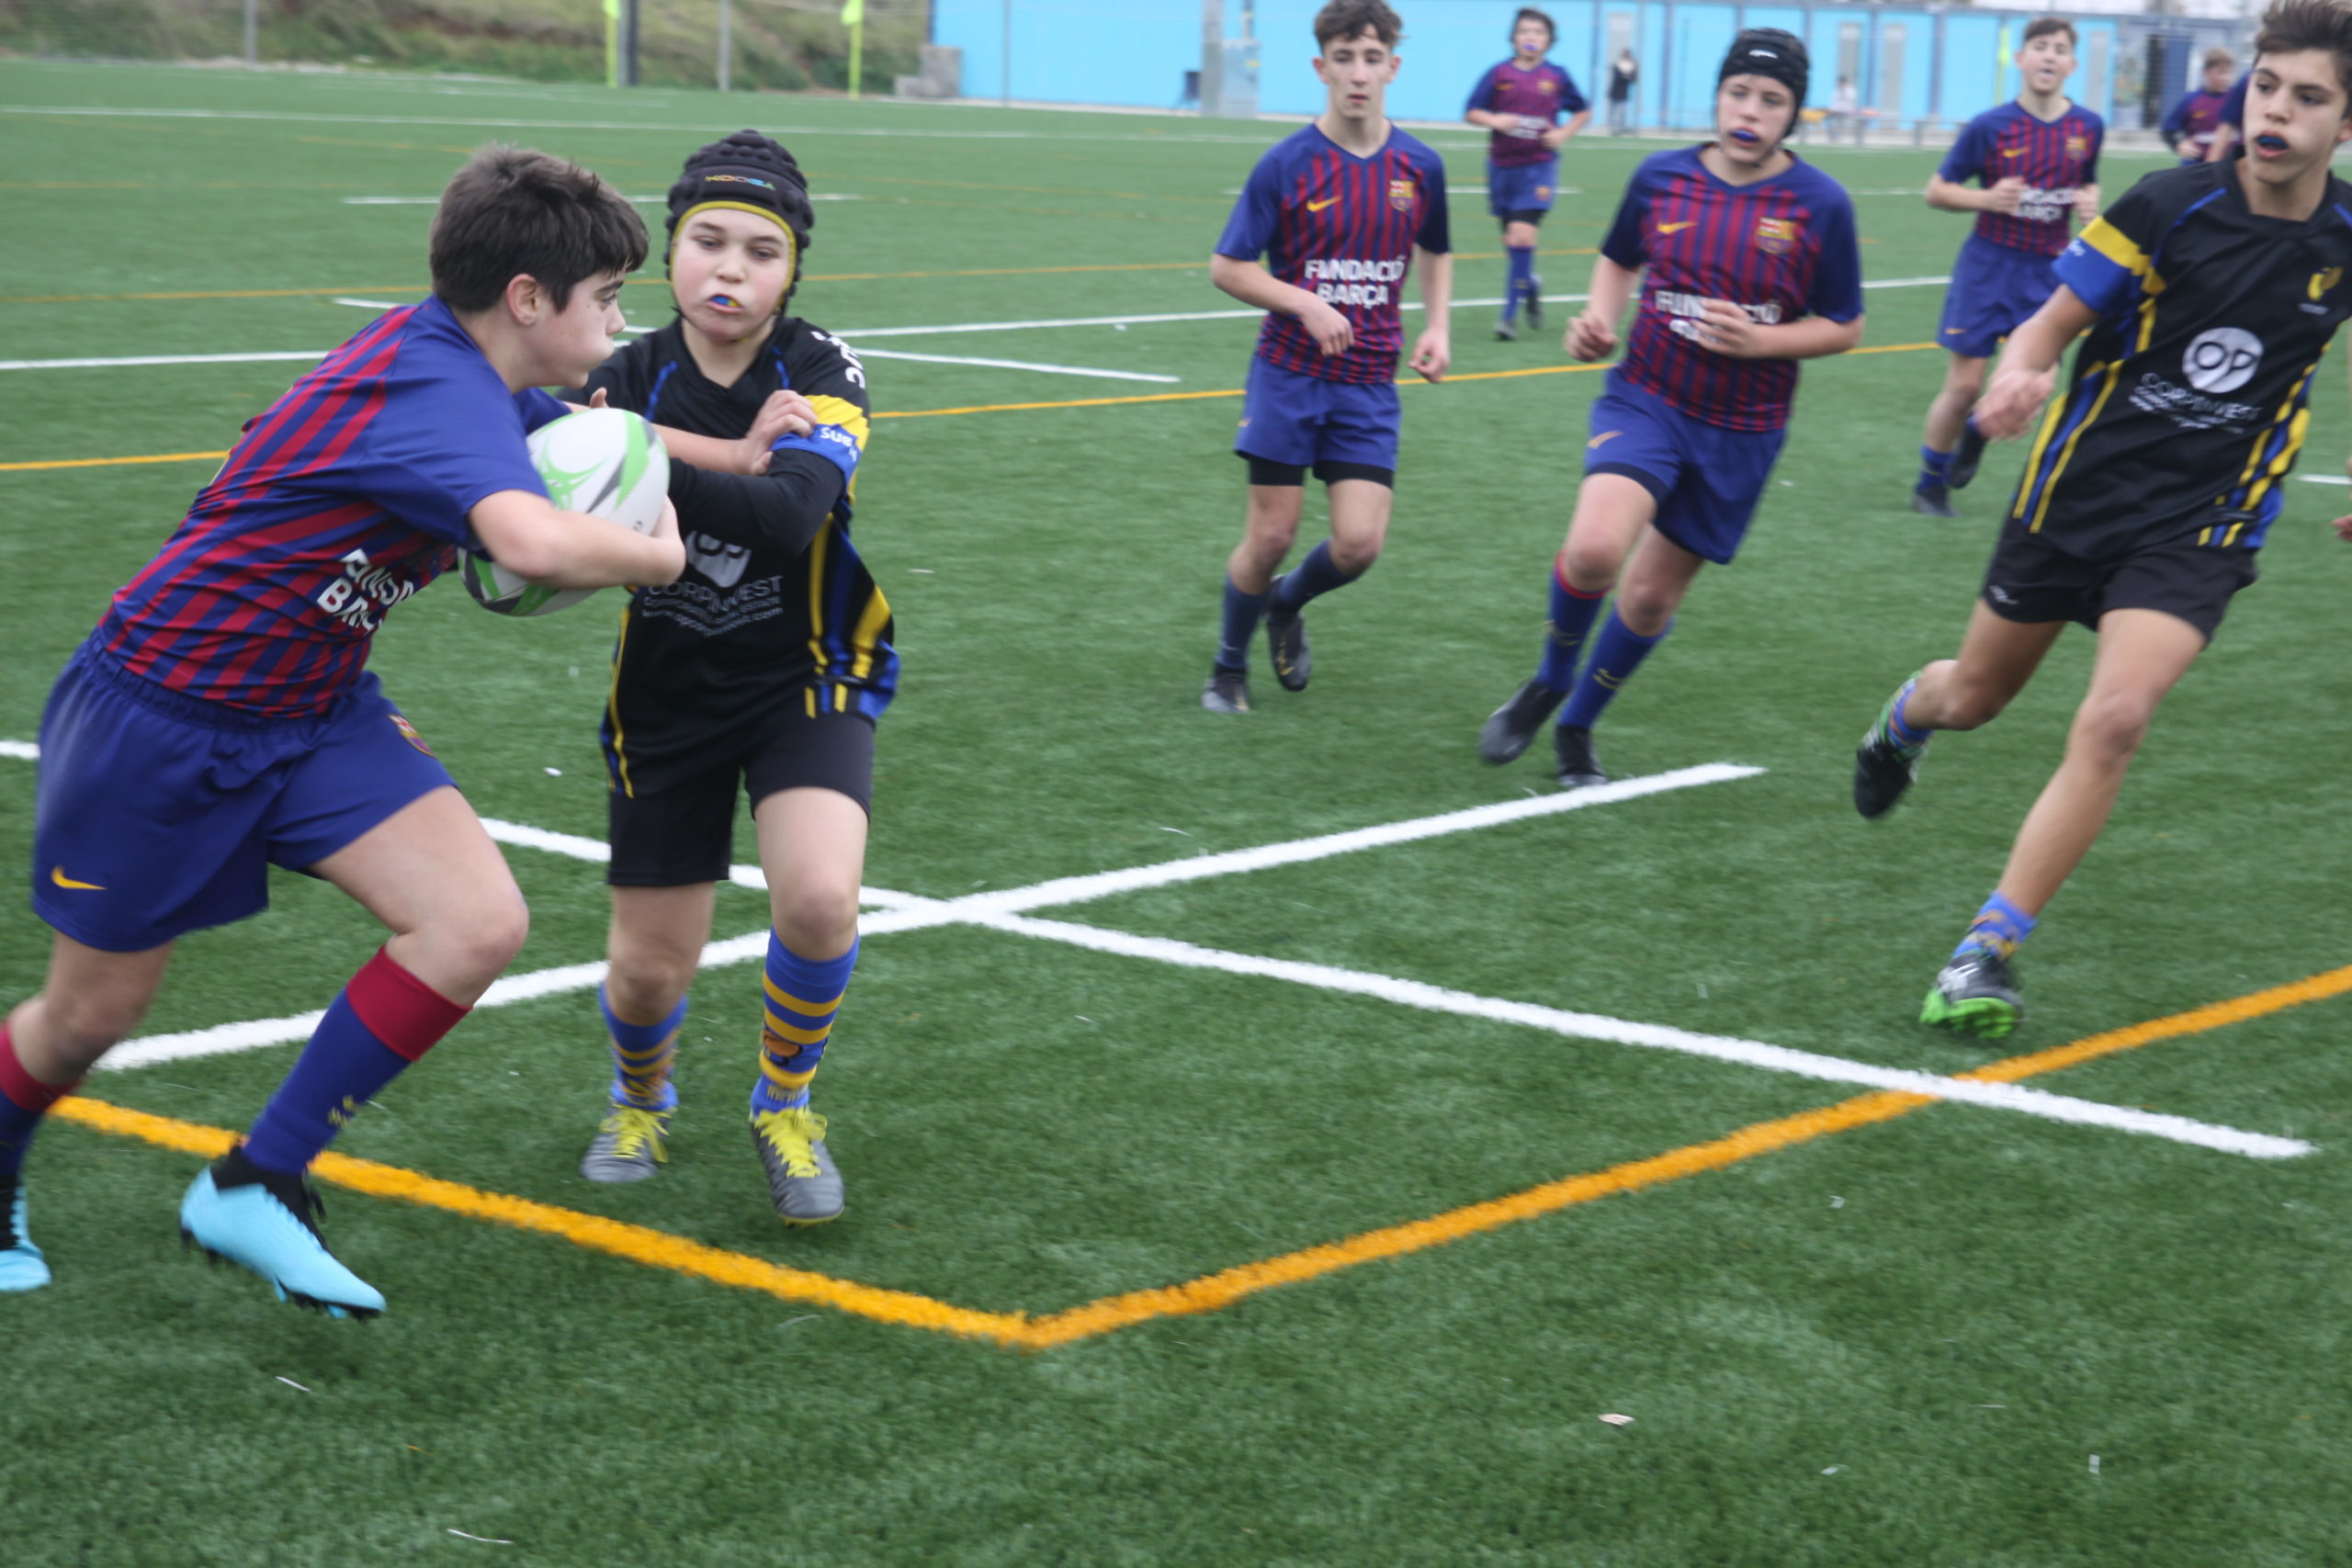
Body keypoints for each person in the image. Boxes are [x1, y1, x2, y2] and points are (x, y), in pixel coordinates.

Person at [0, 149, 685, 1315]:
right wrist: (659, 555)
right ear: (528, 299)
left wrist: (734, 464)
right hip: (163, 715)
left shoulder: (463, 365)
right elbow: (529, 545)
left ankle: (254, 1183)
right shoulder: (434, 390)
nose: (622, 318)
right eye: (610, 295)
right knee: (89, 1018)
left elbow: (568, 436)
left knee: (476, 921)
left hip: (310, 710)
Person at [1853, 0, 2352, 1040]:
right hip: (2074, 499)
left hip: (2207, 518)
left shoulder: (2343, 239)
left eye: (2309, 99)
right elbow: (2043, 329)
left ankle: (1984, 951)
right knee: (1975, 698)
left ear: (2344, 125)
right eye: (2267, 87)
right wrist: (2019, 379)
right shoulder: (2164, 204)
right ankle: (1907, 716)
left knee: (2115, 718)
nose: (2277, 114)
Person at [566, 132, 888, 1225]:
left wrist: (629, 452)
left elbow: (787, 516)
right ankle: (638, 1095)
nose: (730, 268)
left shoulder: (822, 369)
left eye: (761, 249)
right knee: (650, 972)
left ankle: (785, 1102)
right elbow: (533, 445)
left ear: (794, 270)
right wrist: (718, 451)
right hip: (664, 691)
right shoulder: (618, 371)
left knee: (817, 897)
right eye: (707, 240)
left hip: (808, 670)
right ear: (668, 251)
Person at [1478, 28, 1863, 787]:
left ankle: (1579, 724)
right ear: (1717, 96)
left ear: (1793, 114)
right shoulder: (1661, 177)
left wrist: (1765, 341)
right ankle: (1551, 678)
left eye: (1771, 100)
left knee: (1650, 596)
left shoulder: (1822, 204)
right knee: (1594, 550)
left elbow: (1845, 324)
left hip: (1742, 429)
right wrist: (1598, 320)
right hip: (1648, 396)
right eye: (1739, 94)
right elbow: (1620, 259)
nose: (1750, 112)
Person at [1201, 0, 1452, 714]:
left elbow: (1435, 247)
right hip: (1289, 376)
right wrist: (1305, 303)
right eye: (1344, 58)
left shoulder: (1420, 166)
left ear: (1393, 67)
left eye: (1373, 59)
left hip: (1369, 383)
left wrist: (1437, 327)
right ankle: (1227, 667)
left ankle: (1286, 604)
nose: (1359, 74)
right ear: (1321, 68)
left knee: (1360, 543)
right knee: (1273, 531)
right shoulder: (1286, 164)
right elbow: (1228, 266)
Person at [1911, 17, 2103, 518]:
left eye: (2059, 49)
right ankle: (1930, 484)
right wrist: (1987, 198)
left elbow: (2086, 183)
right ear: (2020, 59)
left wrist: (2090, 203)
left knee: (2036, 385)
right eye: (2039, 46)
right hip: (1988, 265)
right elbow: (1936, 191)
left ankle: (1975, 434)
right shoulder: (1989, 126)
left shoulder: (2087, 127)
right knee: (1966, 386)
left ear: (2071, 65)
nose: (2048, 56)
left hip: (2049, 273)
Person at [1464, 7, 1590, 341]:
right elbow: (1472, 110)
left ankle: (1507, 318)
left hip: (1539, 168)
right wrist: (1495, 121)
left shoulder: (1558, 76)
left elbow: (1582, 109)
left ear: (1549, 40)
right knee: (1512, 241)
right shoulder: (1499, 73)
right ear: (1514, 38)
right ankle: (1531, 285)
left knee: (1522, 235)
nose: (1531, 37)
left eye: (1538, 32)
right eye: (1524, 31)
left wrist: (1562, 134)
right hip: (1502, 168)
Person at [2162, 48, 2237, 164]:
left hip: (2231, 167)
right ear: (2206, 73)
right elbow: (2168, 130)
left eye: (2229, 72)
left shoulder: (2239, 99)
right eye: (2220, 72)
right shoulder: (2191, 100)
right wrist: (2180, 145)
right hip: (2195, 166)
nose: (2226, 78)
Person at [1607, 49, 1637, 135]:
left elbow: (1634, 79)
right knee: (1615, 111)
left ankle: (1620, 127)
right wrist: (1626, 75)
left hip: (1623, 93)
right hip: (1615, 91)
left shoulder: (1631, 66)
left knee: (1621, 111)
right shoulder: (1618, 64)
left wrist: (1631, 73)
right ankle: (1614, 127)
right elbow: (1618, 77)